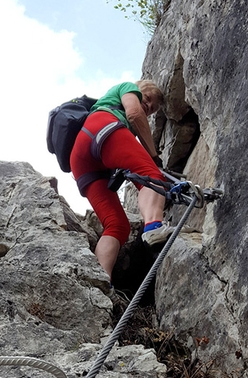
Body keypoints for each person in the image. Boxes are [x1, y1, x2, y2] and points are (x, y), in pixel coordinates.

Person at [70, 79, 172, 280]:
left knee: (117, 226)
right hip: (103, 128)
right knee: (153, 177)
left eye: (151, 109)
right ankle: (153, 228)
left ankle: (100, 281)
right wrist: (154, 157)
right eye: (148, 98)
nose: (148, 106)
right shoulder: (127, 88)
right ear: (140, 88)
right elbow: (134, 113)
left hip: (82, 160)